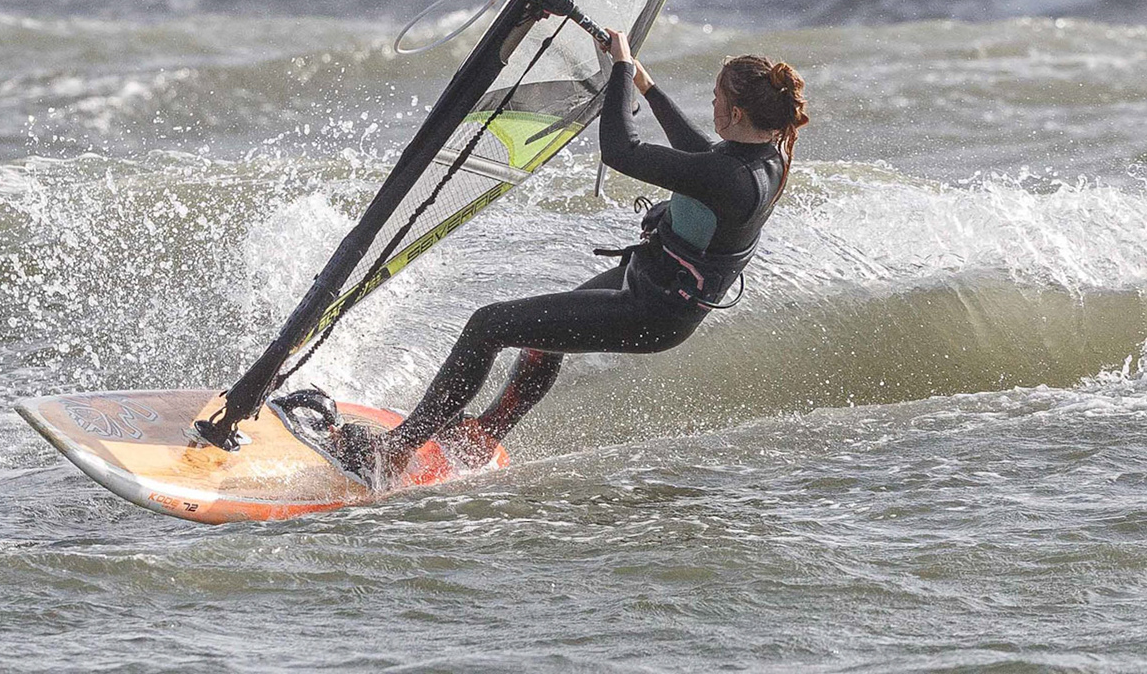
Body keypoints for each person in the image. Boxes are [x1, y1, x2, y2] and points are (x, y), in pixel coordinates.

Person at [333, 27, 810, 487]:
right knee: (543, 338)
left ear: (737, 112)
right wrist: (643, 82)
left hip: (652, 310)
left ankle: (394, 452)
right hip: (651, 283)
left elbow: (621, 150)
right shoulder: (764, 157)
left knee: (487, 325)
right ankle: (482, 436)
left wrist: (621, 72)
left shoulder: (729, 178)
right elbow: (700, 150)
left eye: (716, 98)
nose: (711, 104)